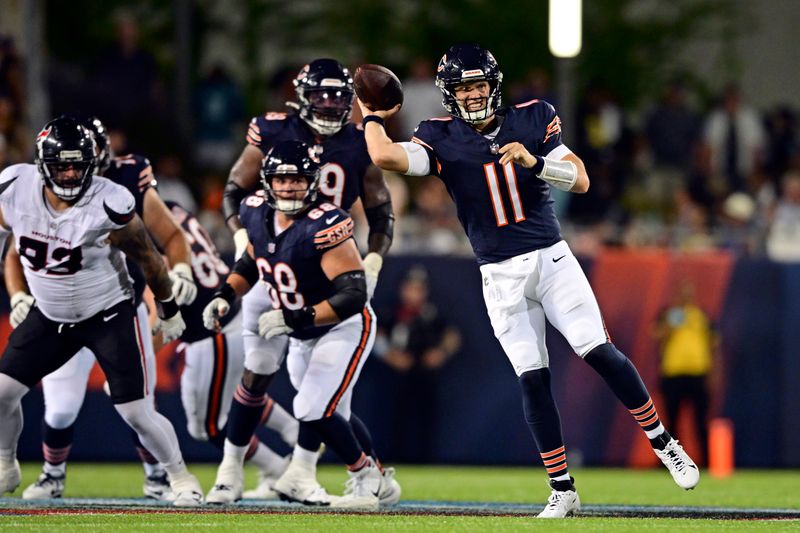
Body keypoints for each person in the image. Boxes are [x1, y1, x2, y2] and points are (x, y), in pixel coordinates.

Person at [358, 43, 699, 518]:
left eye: (479, 84)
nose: (473, 95)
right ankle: (562, 488)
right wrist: (372, 114)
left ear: (494, 85)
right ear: (448, 94)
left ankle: (663, 441)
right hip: (498, 274)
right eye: (463, 87)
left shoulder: (534, 117)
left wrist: (534, 162)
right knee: (532, 379)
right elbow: (387, 159)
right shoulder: (439, 135)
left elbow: (578, 180)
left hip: (551, 258)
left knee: (598, 351)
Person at [216, 58, 396, 503]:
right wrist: (240, 251)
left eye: (340, 97)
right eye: (322, 96)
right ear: (301, 97)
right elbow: (235, 192)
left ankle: (322, 472)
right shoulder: (270, 148)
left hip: (328, 269)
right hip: (274, 268)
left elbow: (379, 211)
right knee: (264, 374)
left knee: (322, 401)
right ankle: (232, 472)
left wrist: (372, 261)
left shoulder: (356, 146)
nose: (332, 105)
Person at [0, 117, 203, 506]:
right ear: (43, 166)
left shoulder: (109, 200)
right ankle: (6, 464)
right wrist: (17, 294)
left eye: (80, 165)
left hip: (107, 314)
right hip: (50, 314)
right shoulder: (14, 189)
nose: (73, 173)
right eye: (63, 166)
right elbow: (8, 244)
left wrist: (167, 307)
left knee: (137, 412)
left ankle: (180, 477)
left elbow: (149, 257)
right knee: (3, 394)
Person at [163, 200, 297, 499]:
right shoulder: (174, 209)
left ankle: (278, 467)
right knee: (227, 406)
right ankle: (288, 433)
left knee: (209, 424)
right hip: (220, 319)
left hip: (212, 329)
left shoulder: (149, 228)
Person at [374, 265, 461, 462]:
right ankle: (393, 459)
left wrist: (441, 353)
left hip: (425, 373)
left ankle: (425, 460)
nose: (414, 294)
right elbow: (375, 335)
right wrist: (390, 355)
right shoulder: (391, 311)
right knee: (394, 419)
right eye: (410, 288)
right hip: (396, 375)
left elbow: (452, 335)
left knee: (426, 419)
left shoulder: (433, 311)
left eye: (419, 289)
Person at [654, 281, 718, 465]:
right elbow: (659, 339)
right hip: (673, 375)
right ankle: (669, 463)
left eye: (688, 293)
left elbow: (713, 346)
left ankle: (707, 463)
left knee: (700, 423)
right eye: (682, 293)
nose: (686, 297)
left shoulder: (702, 315)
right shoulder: (669, 315)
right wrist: (674, 319)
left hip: (698, 375)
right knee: (671, 423)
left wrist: (713, 374)